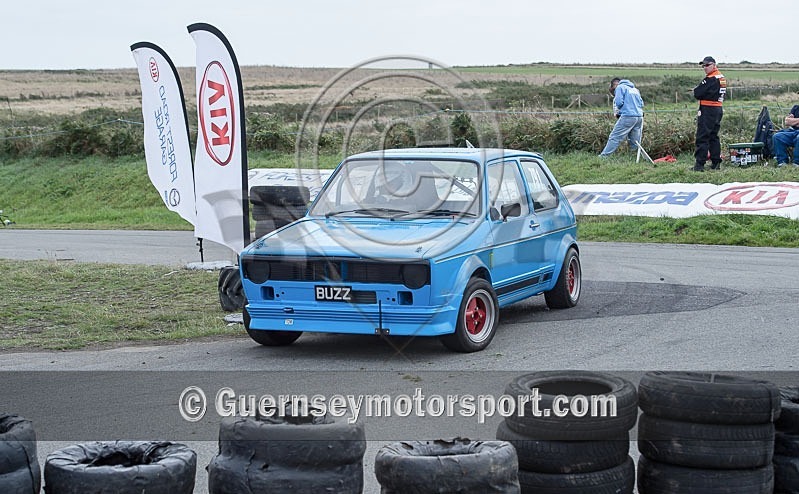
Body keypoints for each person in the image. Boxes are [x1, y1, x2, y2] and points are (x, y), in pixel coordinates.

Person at [692, 56, 727, 171]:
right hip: (718, 109)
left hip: (708, 109)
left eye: (707, 65)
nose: (705, 68)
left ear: (714, 65)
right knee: (713, 136)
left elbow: (698, 93)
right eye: (703, 66)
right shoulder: (721, 77)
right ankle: (716, 162)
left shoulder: (710, 79)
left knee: (702, 137)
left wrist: (696, 90)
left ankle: (699, 164)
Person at [599, 78, 644, 157]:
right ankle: (634, 157)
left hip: (628, 116)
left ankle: (604, 156)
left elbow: (619, 102)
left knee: (615, 137)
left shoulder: (620, 87)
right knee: (635, 140)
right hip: (639, 117)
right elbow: (642, 104)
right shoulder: (635, 89)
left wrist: (619, 112)